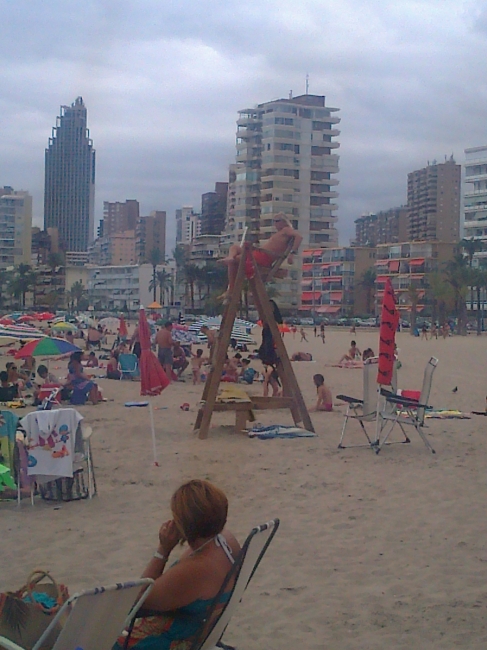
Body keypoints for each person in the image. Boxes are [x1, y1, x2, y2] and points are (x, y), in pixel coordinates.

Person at [113, 479, 240, 650]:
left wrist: (163, 550)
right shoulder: (226, 541)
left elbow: (137, 601)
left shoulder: (195, 569)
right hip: (202, 627)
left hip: (184, 637)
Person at [219, 213, 303, 299]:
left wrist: (292, 254)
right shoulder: (281, 233)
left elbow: (299, 237)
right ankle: (230, 259)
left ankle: (231, 289)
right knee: (234, 248)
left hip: (263, 257)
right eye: (274, 221)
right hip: (259, 254)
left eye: (277, 221)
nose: (275, 224)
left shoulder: (286, 230)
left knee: (235, 261)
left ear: (283, 221)